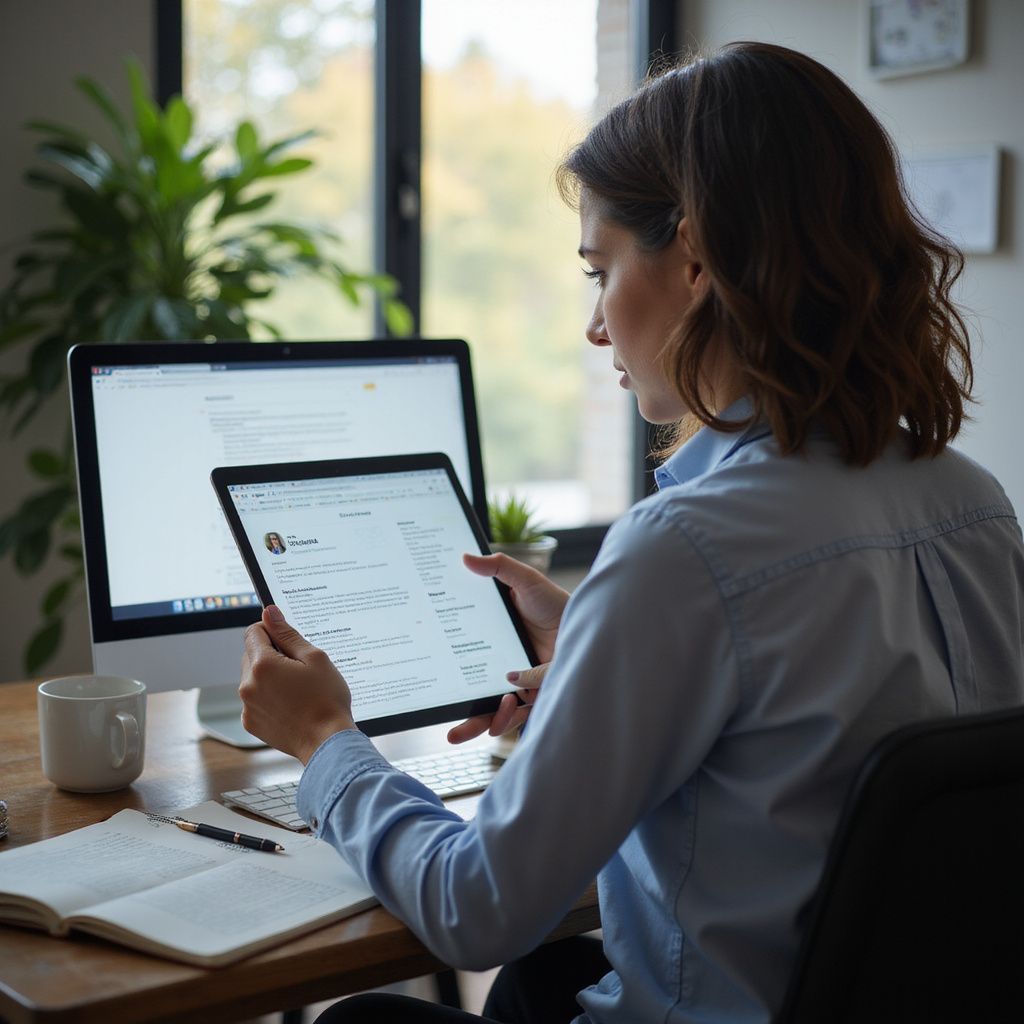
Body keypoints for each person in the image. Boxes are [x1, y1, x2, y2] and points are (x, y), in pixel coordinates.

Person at [237, 42, 1024, 1024]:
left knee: (366, 1019)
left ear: (693, 259)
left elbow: (475, 907)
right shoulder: (976, 505)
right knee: (544, 982)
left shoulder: (687, 550)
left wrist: (326, 741)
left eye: (600, 267)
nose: (595, 327)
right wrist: (595, 641)